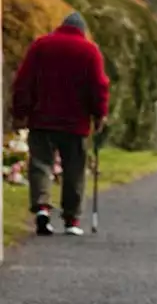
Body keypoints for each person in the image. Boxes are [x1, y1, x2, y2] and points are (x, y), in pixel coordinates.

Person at [10, 12, 109, 237]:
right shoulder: (89, 50)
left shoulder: (41, 46)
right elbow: (99, 86)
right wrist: (99, 114)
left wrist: (20, 112)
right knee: (74, 169)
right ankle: (72, 219)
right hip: (75, 123)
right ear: (81, 30)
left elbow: (23, 82)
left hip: (41, 119)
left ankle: (42, 209)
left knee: (41, 165)